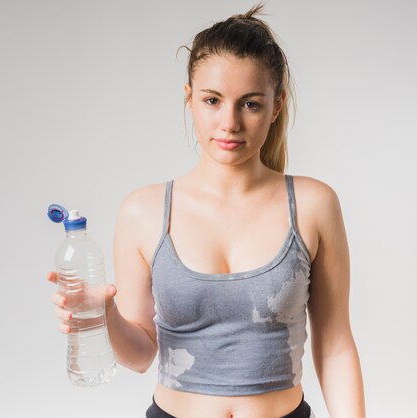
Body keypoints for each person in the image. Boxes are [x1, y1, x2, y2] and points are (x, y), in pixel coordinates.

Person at [47, 3, 366, 417]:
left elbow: (336, 344)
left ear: (277, 105)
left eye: (250, 103)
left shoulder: (313, 204)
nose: (229, 122)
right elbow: (141, 355)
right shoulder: (143, 212)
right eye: (213, 100)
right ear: (190, 100)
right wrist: (103, 313)